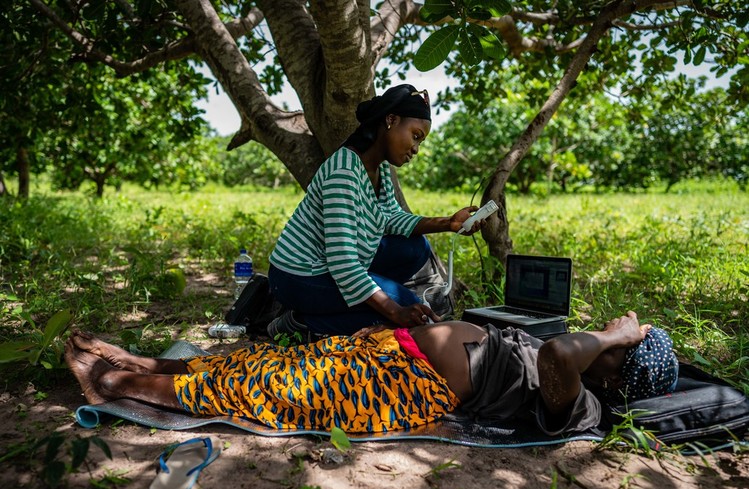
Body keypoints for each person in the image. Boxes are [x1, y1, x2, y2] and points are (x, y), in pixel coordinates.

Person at [66, 311, 678, 435]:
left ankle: (112, 384)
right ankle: (146, 364)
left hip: (402, 387)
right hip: (392, 350)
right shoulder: (583, 364)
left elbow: (556, 357)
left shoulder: (584, 403)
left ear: (618, 372)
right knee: (259, 360)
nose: (621, 329)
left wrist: (619, 334)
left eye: (626, 342)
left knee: (268, 390)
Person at [267, 83, 483, 340]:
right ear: (391, 120)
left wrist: (448, 222)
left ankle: (352, 300)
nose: (416, 149)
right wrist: (395, 310)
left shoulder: (377, 169)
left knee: (416, 248)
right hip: (299, 275)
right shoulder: (344, 172)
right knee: (405, 310)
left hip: (336, 265)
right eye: (415, 136)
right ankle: (299, 322)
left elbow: (391, 217)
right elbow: (344, 264)